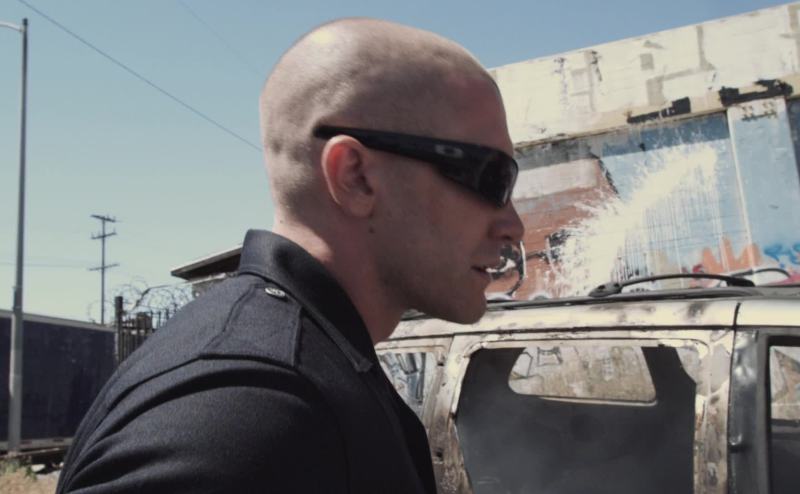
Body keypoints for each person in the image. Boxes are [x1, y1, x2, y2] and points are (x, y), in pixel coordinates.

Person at [57, 17, 524, 493]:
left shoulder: (309, 368)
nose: (514, 225)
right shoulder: (250, 406)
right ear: (355, 176)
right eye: (492, 178)